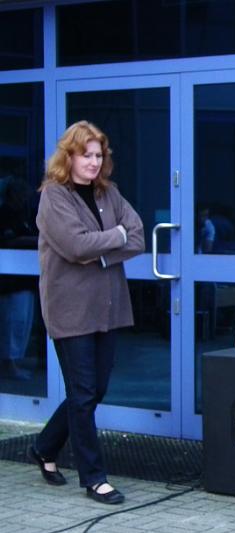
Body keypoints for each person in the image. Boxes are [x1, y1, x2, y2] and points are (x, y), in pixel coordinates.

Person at [29, 121, 144, 504]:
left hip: (108, 308)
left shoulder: (108, 192)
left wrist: (104, 250)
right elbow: (75, 246)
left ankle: (45, 447)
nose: (94, 162)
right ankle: (94, 478)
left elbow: (137, 235)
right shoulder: (54, 197)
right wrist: (115, 237)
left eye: (98, 155)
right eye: (86, 155)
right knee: (82, 393)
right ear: (69, 157)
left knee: (95, 390)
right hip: (70, 310)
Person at [0, 176, 38, 380]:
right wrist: (36, 240)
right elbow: (10, 241)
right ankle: (9, 364)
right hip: (11, 281)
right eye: (22, 194)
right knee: (13, 322)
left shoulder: (23, 215)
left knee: (23, 322)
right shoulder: (4, 214)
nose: (25, 198)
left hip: (26, 279)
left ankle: (16, 360)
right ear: (13, 194)